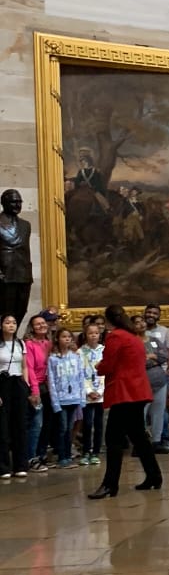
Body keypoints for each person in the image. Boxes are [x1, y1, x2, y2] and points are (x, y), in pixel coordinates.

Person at [87, 305, 163, 499]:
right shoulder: (133, 336)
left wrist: (98, 367)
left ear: (109, 321)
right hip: (137, 390)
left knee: (113, 438)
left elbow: (109, 363)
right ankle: (154, 476)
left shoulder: (115, 336)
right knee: (138, 436)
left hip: (124, 392)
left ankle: (110, 484)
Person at [132, 313, 169, 453]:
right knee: (140, 413)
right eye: (137, 322)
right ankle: (139, 443)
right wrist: (151, 358)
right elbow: (137, 361)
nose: (141, 324)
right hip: (141, 383)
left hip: (159, 381)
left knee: (158, 412)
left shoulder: (154, 340)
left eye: (142, 321)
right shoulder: (132, 341)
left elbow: (164, 356)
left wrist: (152, 357)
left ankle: (156, 441)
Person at [47, 327, 84, 469]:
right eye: (64, 336)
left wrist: (82, 399)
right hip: (61, 399)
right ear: (57, 339)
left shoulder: (76, 357)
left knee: (70, 428)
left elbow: (80, 377)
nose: (67, 339)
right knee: (62, 428)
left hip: (74, 398)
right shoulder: (53, 359)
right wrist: (55, 402)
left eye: (69, 337)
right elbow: (51, 380)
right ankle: (62, 456)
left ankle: (68, 455)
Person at [143, 304, 169, 452]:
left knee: (160, 409)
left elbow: (166, 352)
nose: (151, 315)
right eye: (148, 312)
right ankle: (142, 440)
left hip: (161, 376)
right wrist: (152, 359)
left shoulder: (163, 331)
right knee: (143, 410)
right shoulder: (138, 334)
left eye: (154, 313)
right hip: (142, 378)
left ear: (159, 316)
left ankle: (162, 438)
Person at [0, 315, 29, 479]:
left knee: (20, 425)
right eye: (7, 322)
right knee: (3, 427)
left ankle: (20, 465)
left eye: (14, 323)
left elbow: (24, 366)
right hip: (3, 383)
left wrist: (26, 385)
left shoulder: (20, 343)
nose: (11, 326)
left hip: (18, 383)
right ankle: (3, 467)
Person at [0, 189, 34, 327]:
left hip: (24, 274)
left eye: (19, 202)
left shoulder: (26, 225)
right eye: (14, 202)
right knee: (5, 312)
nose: (17, 205)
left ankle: (13, 338)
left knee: (21, 309)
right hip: (5, 274)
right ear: (4, 203)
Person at [25, 313, 52, 473]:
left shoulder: (49, 343)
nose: (41, 326)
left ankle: (41, 454)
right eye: (37, 324)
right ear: (32, 328)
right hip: (36, 386)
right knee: (37, 423)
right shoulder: (29, 344)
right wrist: (34, 391)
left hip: (49, 387)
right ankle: (31, 457)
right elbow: (29, 369)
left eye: (43, 323)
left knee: (47, 423)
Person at [78, 320, 104, 466]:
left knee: (98, 423)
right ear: (85, 335)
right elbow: (80, 373)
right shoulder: (81, 352)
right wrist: (89, 391)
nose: (93, 336)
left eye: (96, 333)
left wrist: (99, 391)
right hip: (86, 392)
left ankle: (96, 452)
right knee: (87, 423)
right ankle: (86, 450)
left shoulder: (104, 350)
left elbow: (105, 373)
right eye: (90, 333)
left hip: (100, 392)